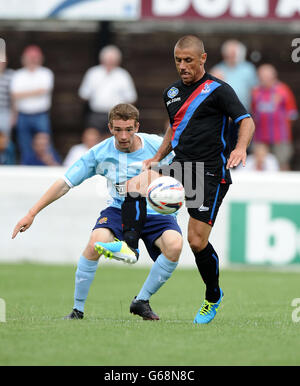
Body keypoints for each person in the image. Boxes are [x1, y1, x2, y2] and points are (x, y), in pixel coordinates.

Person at [108, 35, 254, 324]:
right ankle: (130, 246)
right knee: (136, 184)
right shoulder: (171, 93)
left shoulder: (219, 90)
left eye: (188, 60)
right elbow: (174, 130)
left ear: (203, 59)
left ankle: (213, 296)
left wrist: (240, 147)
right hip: (180, 167)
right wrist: (157, 157)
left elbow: (245, 120)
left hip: (210, 173)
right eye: (178, 60)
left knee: (196, 242)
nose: (183, 65)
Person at [12, 103, 183, 321]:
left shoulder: (157, 145)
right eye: (118, 130)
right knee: (95, 243)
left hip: (156, 212)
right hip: (119, 209)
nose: (123, 136)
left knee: (175, 246)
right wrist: (32, 212)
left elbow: (182, 170)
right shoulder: (99, 153)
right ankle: (77, 310)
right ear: (110, 128)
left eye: (129, 129)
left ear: (137, 127)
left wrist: (159, 181)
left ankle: (141, 300)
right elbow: (65, 183)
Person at [78, 45, 137, 139]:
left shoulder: (123, 75)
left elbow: (131, 98)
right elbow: (83, 95)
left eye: (112, 60)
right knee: (93, 139)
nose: (110, 62)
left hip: (117, 115)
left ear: (118, 61)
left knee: (112, 140)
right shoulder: (93, 73)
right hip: (96, 114)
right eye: (108, 60)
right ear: (102, 60)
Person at [10, 45, 55, 165]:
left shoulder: (46, 73)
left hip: (40, 114)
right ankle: (26, 168)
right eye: (30, 58)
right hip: (23, 115)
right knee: (24, 145)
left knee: (45, 145)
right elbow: (14, 95)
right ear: (24, 59)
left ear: (40, 59)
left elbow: (43, 90)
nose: (32, 60)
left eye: (35, 58)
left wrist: (23, 93)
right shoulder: (18, 74)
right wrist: (35, 91)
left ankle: (49, 167)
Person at [211, 40, 257, 150]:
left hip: (244, 114)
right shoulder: (218, 70)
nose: (230, 56)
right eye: (228, 54)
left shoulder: (248, 69)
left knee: (245, 144)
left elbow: (255, 90)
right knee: (226, 145)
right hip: (224, 116)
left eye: (233, 53)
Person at [251, 64, 298, 171]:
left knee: (282, 163)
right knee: (260, 164)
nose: (263, 79)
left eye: (266, 76)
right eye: (261, 76)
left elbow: (292, 114)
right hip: (261, 136)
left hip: (280, 136)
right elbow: (253, 112)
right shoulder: (255, 91)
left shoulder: (283, 90)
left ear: (273, 76)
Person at [0, 60, 15, 140]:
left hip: (5, 112)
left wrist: (14, 115)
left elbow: (14, 97)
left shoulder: (11, 75)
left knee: (5, 140)